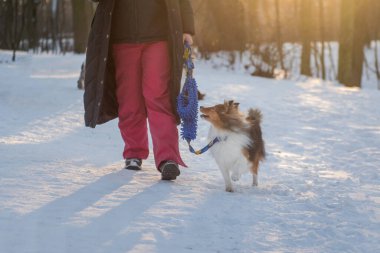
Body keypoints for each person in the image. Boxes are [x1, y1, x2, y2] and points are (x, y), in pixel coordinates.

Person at [84, 0, 195, 180]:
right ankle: (134, 152)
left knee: (158, 96)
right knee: (129, 100)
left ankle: (168, 158)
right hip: (122, 38)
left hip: (159, 36)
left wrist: (188, 29)